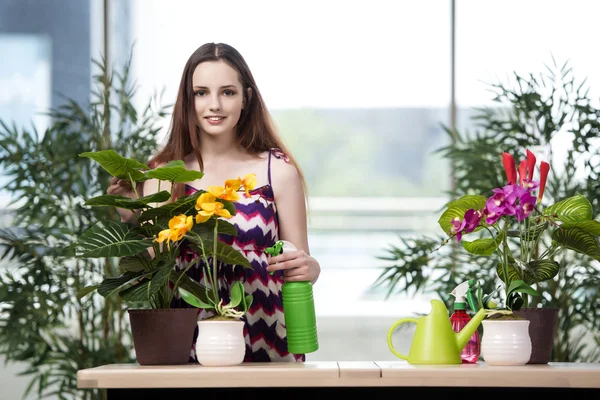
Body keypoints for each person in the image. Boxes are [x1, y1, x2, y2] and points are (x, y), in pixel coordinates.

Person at [107, 42, 320, 362]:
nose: (215, 104)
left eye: (228, 92)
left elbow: (298, 265)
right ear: (187, 100)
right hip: (187, 350)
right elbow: (154, 271)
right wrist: (132, 217)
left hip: (269, 350)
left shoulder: (277, 169)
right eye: (201, 92)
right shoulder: (165, 174)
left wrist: (311, 267)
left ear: (246, 97)